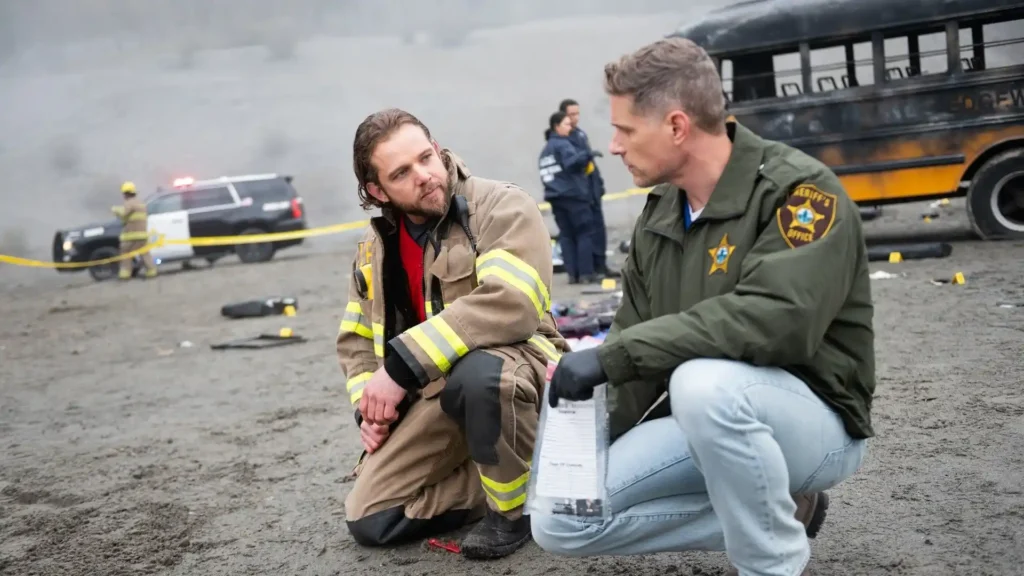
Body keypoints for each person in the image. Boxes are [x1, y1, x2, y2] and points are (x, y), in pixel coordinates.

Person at [531, 37, 875, 576]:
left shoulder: (801, 193)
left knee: (701, 381)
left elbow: (777, 321)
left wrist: (610, 358)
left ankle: (770, 564)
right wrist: (582, 449)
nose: (614, 146)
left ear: (675, 126)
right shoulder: (661, 212)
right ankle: (780, 513)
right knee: (560, 515)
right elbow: (633, 343)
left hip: (815, 423)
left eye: (624, 129)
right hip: (707, 423)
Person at [336, 107, 569, 560]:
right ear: (376, 190)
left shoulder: (501, 206)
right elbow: (357, 338)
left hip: (517, 371)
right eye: (402, 172)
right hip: (434, 391)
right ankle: (526, 473)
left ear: (439, 149)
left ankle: (513, 511)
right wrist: (372, 410)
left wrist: (400, 369)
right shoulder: (372, 247)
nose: (425, 175)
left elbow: (511, 305)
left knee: (479, 375)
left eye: (427, 157)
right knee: (371, 518)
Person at [558, 98, 620, 279]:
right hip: (580, 192)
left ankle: (601, 265)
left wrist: (598, 184)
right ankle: (588, 270)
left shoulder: (580, 134)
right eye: (571, 114)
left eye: (577, 114)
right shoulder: (565, 139)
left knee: (598, 228)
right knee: (585, 231)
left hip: (591, 188)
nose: (575, 118)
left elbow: (590, 164)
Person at [539, 110, 600, 284]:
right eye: (566, 124)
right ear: (556, 127)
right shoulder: (563, 145)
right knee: (584, 233)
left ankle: (573, 275)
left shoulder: (546, 150)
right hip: (573, 197)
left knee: (566, 236)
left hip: (556, 197)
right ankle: (586, 273)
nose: (570, 128)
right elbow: (572, 163)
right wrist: (587, 154)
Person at [111, 181, 157, 280]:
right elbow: (130, 217)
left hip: (131, 235)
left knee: (125, 253)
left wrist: (115, 209)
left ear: (126, 193)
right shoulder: (141, 203)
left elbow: (123, 213)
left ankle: (125, 274)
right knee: (145, 253)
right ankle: (151, 271)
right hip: (143, 235)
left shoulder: (129, 203)